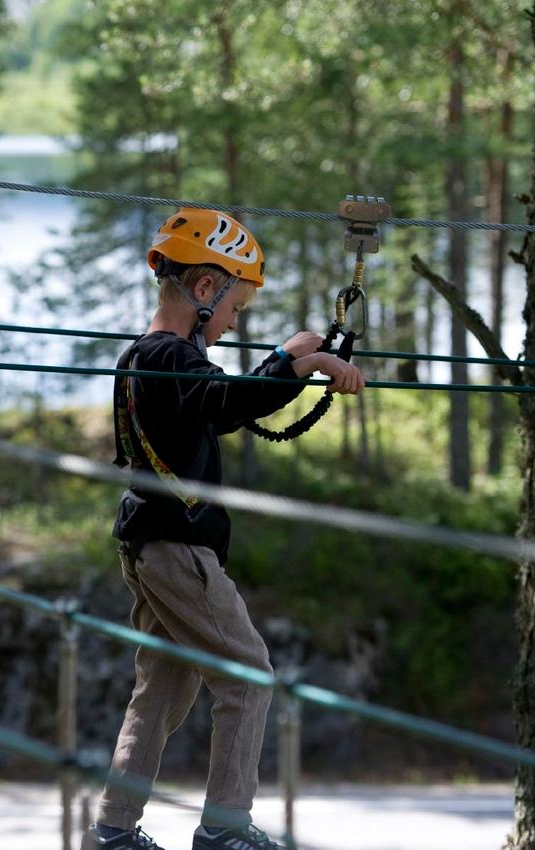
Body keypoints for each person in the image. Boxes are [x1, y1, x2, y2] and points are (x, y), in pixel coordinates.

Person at [85, 209, 365, 850]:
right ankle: (224, 828)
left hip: (150, 544)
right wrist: (305, 363)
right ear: (205, 290)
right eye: (235, 303)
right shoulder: (172, 357)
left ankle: (113, 830)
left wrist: (287, 358)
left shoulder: (142, 356)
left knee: (160, 690)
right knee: (248, 675)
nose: (236, 318)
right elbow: (229, 402)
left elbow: (218, 400)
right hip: (179, 548)